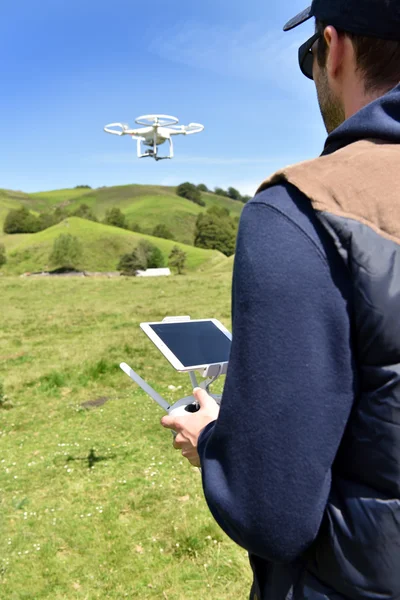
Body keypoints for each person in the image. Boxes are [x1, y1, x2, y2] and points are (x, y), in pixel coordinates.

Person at [161, 1, 400, 598]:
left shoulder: (301, 211)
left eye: (308, 59)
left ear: (334, 47)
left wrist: (212, 440)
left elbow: (270, 513)